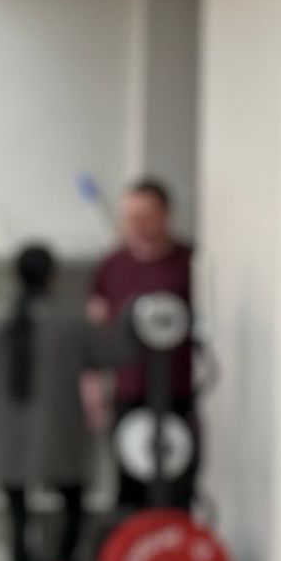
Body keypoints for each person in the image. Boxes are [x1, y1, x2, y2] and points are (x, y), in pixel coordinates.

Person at [0, 244, 126, 561]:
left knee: (19, 519)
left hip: (9, 439)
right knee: (73, 507)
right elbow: (117, 353)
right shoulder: (73, 324)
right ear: (53, 278)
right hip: (63, 436)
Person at [86, 177, 197, 509]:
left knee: (176, 484)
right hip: (128, 393)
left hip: (177, 392)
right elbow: (97, 327)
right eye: (130, 217)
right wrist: (92, 384)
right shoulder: (112, 265)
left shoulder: (189, 261)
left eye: (145, 216)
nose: (136, 224)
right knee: (129, 486)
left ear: (166, 215)